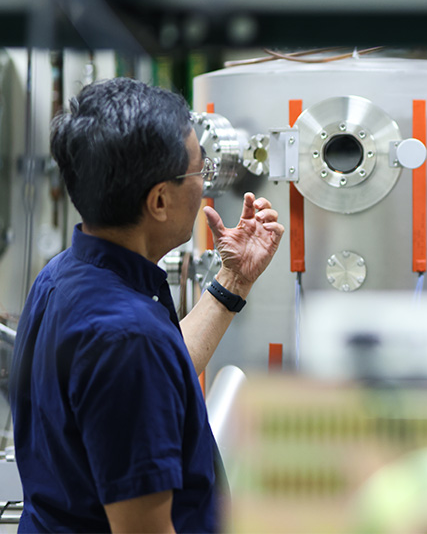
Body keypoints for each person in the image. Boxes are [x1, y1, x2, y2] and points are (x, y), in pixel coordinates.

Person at [9, 78, 285, 532]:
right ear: (159, 200)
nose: (205, 185)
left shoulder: (65, 275)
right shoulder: (126, 336)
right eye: (202, 172)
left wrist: (234, 279)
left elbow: (160, 372)